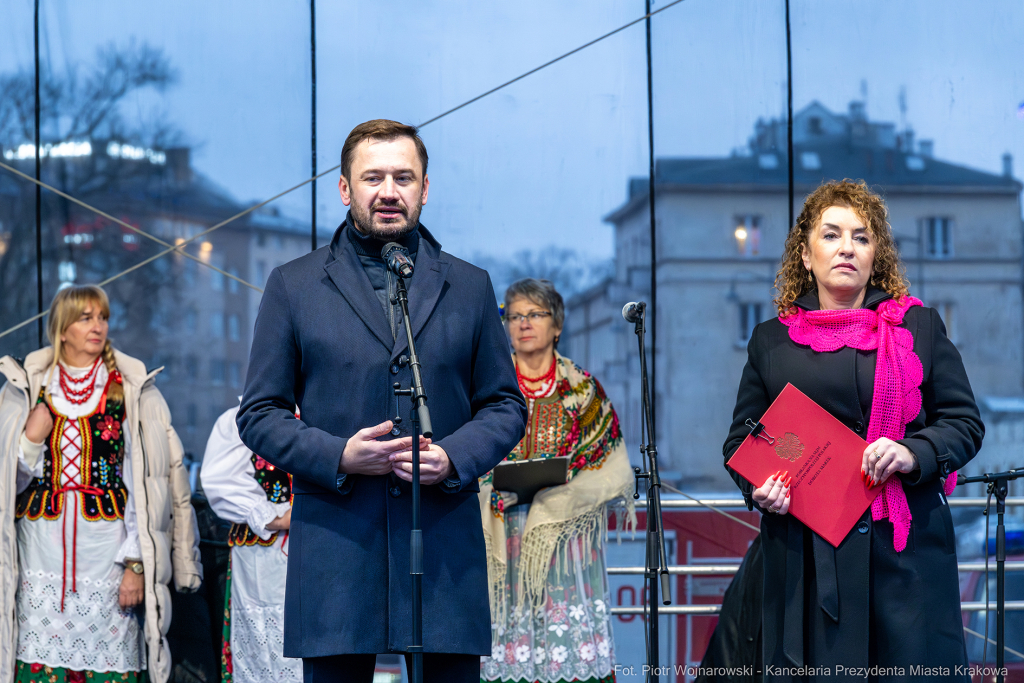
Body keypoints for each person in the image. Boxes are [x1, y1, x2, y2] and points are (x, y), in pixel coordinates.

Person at [236, 119, 527, 683]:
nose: (388, 191)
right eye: (373, 177)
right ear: (345, 189)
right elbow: (259, 413)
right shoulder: (293, 285)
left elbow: (504, 405)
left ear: (424, 188)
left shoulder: (469, 286)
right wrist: (339, 455)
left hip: (443, 554)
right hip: (338, 554)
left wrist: (454, 457)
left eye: (403, 177)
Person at [723, 179, 984, 681]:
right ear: (805, 255)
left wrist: (913, 452)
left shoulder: (919, 327)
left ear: (875, 255)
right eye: (831, 235)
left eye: (861, 237)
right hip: (808, 558)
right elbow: (741, 443)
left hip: (906, 561)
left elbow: (965, 424)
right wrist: (760, 490)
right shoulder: (770, 340)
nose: (847, 247)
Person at [0, 284, 203, 683]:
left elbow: (148, 487)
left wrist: (136, 564)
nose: (98, 326)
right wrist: (30, 440)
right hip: (40, 551)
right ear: (61, 329)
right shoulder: (28, 388)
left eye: (103, 317)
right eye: (85, 317)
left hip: (107, 552)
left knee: (109, 662)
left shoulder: (129, 391)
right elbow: (10, 484)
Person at [479, 278, 634, 683]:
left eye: (534, 314)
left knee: (567, 656)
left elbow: (610, 466)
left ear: (557, 324)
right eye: (513, 316)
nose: (523, 323)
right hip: (502, 544)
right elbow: (469, 456)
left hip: (565, 547)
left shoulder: (582, 389)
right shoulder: (487, 390)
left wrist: (558, 498)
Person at [201, 403, 301, 682]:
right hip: (263, 558)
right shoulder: (242, 417)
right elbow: (221, 480)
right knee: (265, 650)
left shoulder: (326, 412)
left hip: (320, 554)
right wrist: (277, 516)